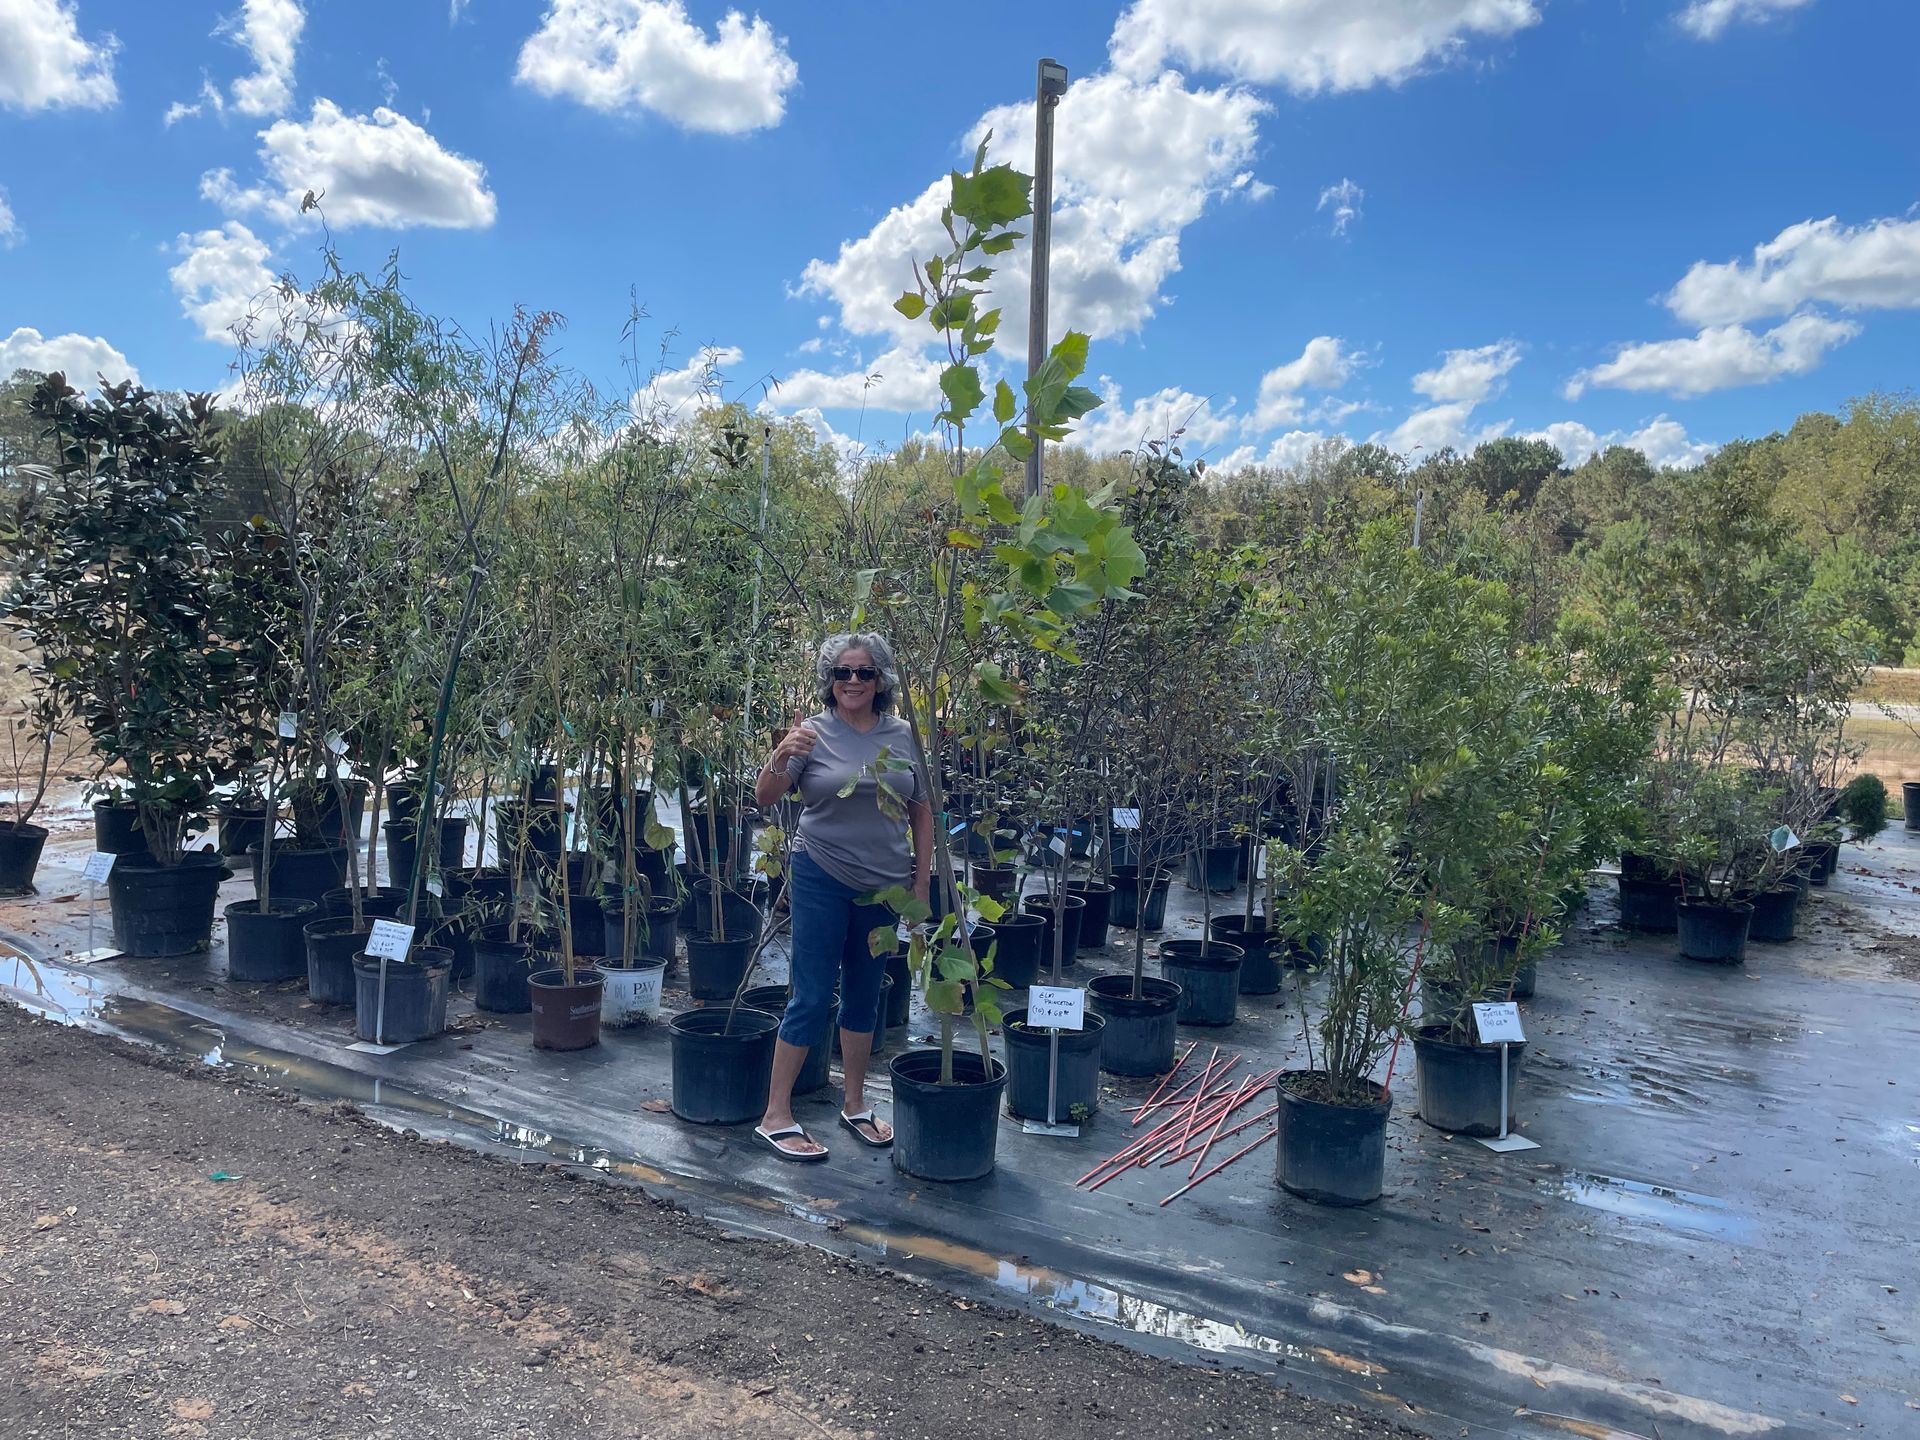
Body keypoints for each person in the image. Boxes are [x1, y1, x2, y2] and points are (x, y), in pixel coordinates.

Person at [751, 633, 933, 1161]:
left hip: (884, 884)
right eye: (843, 673)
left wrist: (920, 882)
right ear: (830, 680)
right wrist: (779, 754)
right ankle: (775, 1114)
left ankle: (854, 1104)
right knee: (811, 994)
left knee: (866, 992)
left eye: (864, 672)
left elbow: (922, 808)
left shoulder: (903, 735)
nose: (852, 681)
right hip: (822, 875)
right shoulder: (812, 733)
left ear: (882, 681)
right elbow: (766, 797)